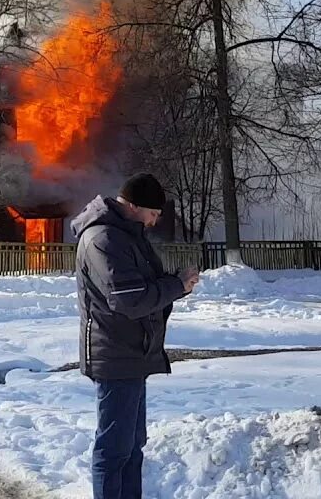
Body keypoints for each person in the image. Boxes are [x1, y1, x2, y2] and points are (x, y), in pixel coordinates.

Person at [72, 173, 201, 499]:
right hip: (115, 354)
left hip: (132, 353)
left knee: (132, 446)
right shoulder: (103, 238)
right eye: (153, 214)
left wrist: (175, 284)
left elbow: (143, 285)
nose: (155, 222)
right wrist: (176, 287)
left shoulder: (127, 235)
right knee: (114, 449)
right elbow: (129, 299)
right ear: (133, 206)